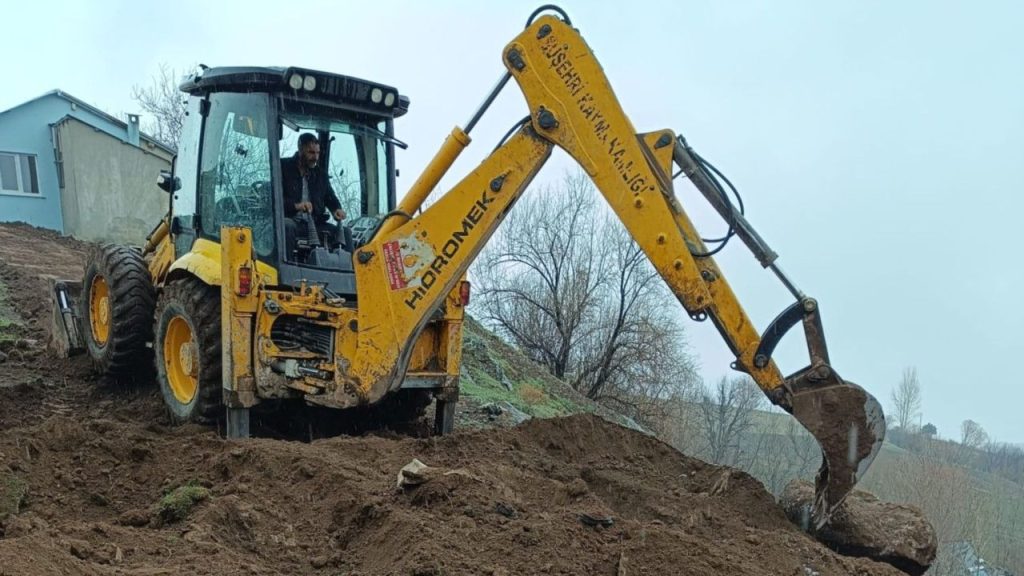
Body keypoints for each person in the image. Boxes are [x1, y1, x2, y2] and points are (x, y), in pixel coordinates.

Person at [281, 132, 347, 256]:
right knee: (286, 226)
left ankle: (349, 267)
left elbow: (330, 197)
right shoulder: (282, 167)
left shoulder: (320, 175)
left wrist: (336, 209)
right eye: (311, 153)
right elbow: (274, 200)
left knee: (346, 233)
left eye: (317, 153)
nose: (315, 157)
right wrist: (297, 206)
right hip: (291, 221)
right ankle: (286, 264)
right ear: (300, 149)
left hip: (315, 224)